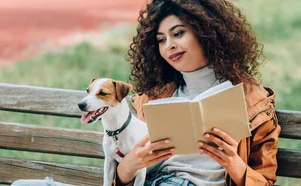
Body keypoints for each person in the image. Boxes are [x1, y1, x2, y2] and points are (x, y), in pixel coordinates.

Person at [116, 0, 281, 186]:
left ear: (206, 32)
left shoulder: (254, 102)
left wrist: (234, 164)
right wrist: (128, 166)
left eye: (178, 33)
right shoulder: (151, 99)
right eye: (161, 40)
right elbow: (119, 176)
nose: (169, 45)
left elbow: (264, 181)